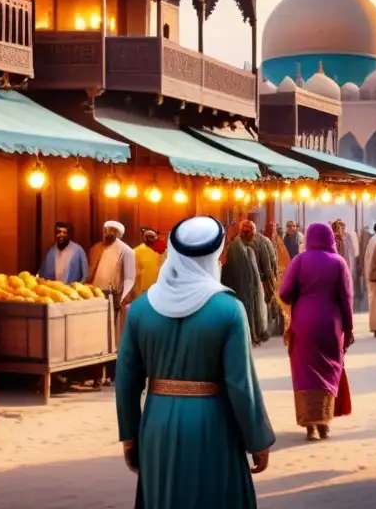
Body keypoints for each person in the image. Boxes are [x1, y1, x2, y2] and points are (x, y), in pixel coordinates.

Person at [115, 216, 275, 508]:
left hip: (157, 424)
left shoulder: (140, 310)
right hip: (213, 424)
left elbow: (125, 380)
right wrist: (258, 439)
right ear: (215, 256)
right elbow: (241, 384)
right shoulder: (229, 310)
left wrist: (129, 436)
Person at [280, 223, 354, 441]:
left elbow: (285, 294)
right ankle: (324, 424)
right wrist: (348, 330)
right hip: (331, 326)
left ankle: (309, 425)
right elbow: (347, 300)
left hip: (303, 325)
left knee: (305, 373)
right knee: (329, 371)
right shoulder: (339, 262)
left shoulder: (299, 261)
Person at [221, 220, 268, 345]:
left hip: (249, 288)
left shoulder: (247, 247)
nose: (254, 235)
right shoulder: (237, 248)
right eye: (252, 231)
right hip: (240, 288)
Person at [89, 221, 136, 340]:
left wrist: (125, 296)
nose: (109, 233)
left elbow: (130, 277)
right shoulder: (96, 248)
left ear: (118, 233)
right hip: (94, 292)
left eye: (113, 230)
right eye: (107, 230)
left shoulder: (126, 250)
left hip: (113, 294)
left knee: (112, 325)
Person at [130, 227, 165, 302]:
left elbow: (162, 267)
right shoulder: (137, 251)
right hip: (141, 289)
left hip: (156, 288)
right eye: (150, 237)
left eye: (153, 237)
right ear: (145, 238)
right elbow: (134, 272)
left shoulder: (160, 250)